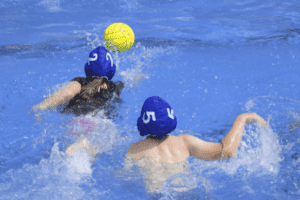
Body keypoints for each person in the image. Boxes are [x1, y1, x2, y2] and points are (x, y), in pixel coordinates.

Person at [33, 46, 124, 117]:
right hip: (100, 122)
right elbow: (129, 82)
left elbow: (67, 93)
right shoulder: (114, 87)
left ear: (87, 68)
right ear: (112, 70)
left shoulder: (80, 83)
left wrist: (40, 107)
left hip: (77, 121)